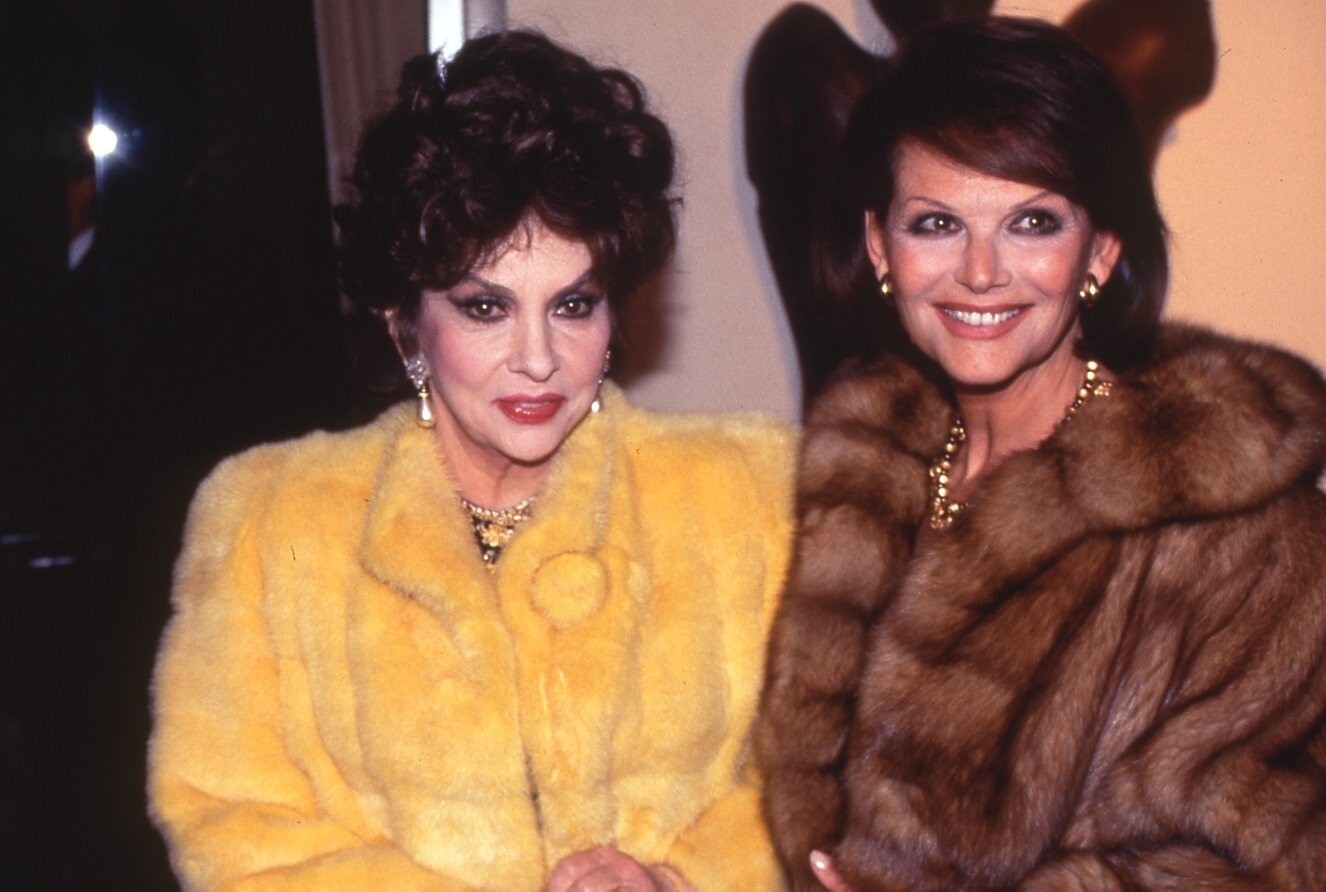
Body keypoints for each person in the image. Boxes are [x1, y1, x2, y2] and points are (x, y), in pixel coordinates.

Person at [148, 31, 794, 890]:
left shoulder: (746, 494)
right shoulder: (269, 522)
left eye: (573, 305)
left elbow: (815, 772)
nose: (538, 358)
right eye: (485, 308)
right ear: (405, 326)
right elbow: (229, 820)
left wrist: (683, 881)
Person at [757, 16, 1326, 890]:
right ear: (879, 247)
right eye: (936, 223)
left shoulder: (1248, 539)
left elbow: (1278, 860)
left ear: (1100, 251)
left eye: (1032, 222)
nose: (982, 272)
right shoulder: (861, 483)